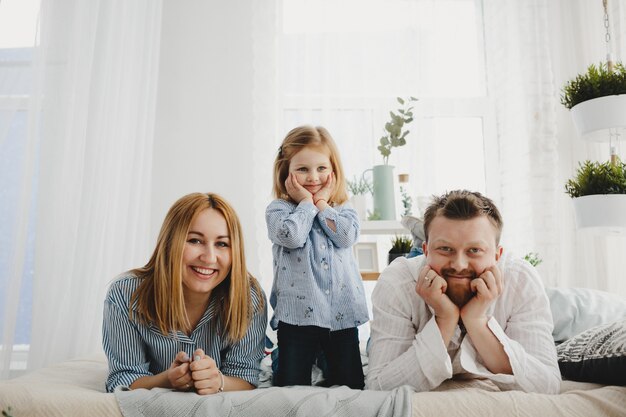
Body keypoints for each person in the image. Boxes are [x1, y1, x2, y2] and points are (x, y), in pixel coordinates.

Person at [366, 190, 561, 393]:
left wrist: (476, 321)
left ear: (497, 255)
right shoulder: (396, 282)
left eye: (474, 250)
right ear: (426, 250)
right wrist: (444, 319)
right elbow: (379, 388)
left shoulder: (520, 279)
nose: (459, 264)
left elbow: (547, 385)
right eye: (445, 248)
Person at [103, 192, 267, 394]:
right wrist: (167, 380)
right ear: (170, 243)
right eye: (195, 240)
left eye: (222, 244)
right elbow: (124, 378)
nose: (209, 258)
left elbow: (246, 378)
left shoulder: (250, 298)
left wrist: (218, 382)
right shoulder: (125, 295)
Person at [266, 125, 368, 389]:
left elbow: (345, 237)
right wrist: (307, 205)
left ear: (333, 170)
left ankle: (325, 363)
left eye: (321, 168)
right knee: (291, 385)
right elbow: (292, 237)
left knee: (351, 384)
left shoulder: (344, 210)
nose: (313, 177)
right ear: (286, 172)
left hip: (341, 315)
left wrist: (322, 204)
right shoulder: (279, 210)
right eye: (302, 169)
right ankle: (281, 358)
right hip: (297, 317)